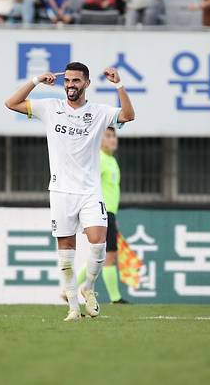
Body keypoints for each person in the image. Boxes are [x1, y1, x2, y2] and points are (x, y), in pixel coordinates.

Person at [4, 62, 135, 321]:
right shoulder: (50, 107)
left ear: (86, 83)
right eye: (68, 81)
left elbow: (128, 116)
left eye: (76, 81)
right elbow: (11, 103)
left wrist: (119, 85)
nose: (71, 85)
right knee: (66, 253)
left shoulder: (98, 112)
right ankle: (73, 307)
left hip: (90, 192)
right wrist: (36, 80)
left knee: (98, 244)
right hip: (61, 191)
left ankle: (89, 288)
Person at [73, 127, 129, 304]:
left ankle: (71, 289)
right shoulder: (99, 160)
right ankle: (115, 298)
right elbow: (88, 184)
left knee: (100, 256)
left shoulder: (112, 161)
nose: (112, 139)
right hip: (102, 212)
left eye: (114, 136)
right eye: (108, 136)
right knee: (109, 256)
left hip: (110, 213)